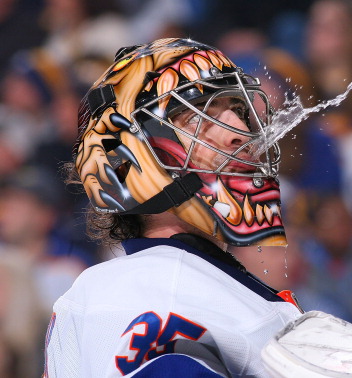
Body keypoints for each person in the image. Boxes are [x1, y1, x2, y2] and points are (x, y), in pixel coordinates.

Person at [43, 38, 304, 377]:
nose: (242, 131)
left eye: (238, 111)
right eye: (200, 116)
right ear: (130, 159)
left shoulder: (126, 285)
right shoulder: (169, 290)